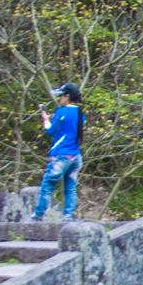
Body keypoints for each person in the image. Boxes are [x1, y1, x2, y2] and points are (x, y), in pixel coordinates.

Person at [33, 83, 85, 222]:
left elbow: (50, 130)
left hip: (61, 155)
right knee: (70, 188)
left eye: (61, 96)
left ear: (67, 96)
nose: (60, 99)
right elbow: (70, 127)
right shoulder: (80, 113)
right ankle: (68, 216)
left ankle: (38, 215)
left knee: (47, 186)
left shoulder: (61, 112)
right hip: (76, 156)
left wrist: (46, 120)